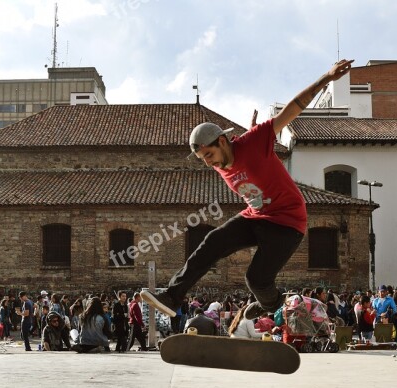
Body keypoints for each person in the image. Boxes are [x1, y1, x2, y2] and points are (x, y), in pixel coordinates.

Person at [140, 59, 355, 321]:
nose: (209, 163)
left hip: (288, 222)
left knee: (256, 279)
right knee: (212, 241)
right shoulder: (220, 159)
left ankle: (272, 304)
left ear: (222, 141)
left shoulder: (254, 141)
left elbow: (293, 108)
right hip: (256, 216)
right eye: (203, 159)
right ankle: (172, 297)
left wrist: (326, 79)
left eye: (209, 154)